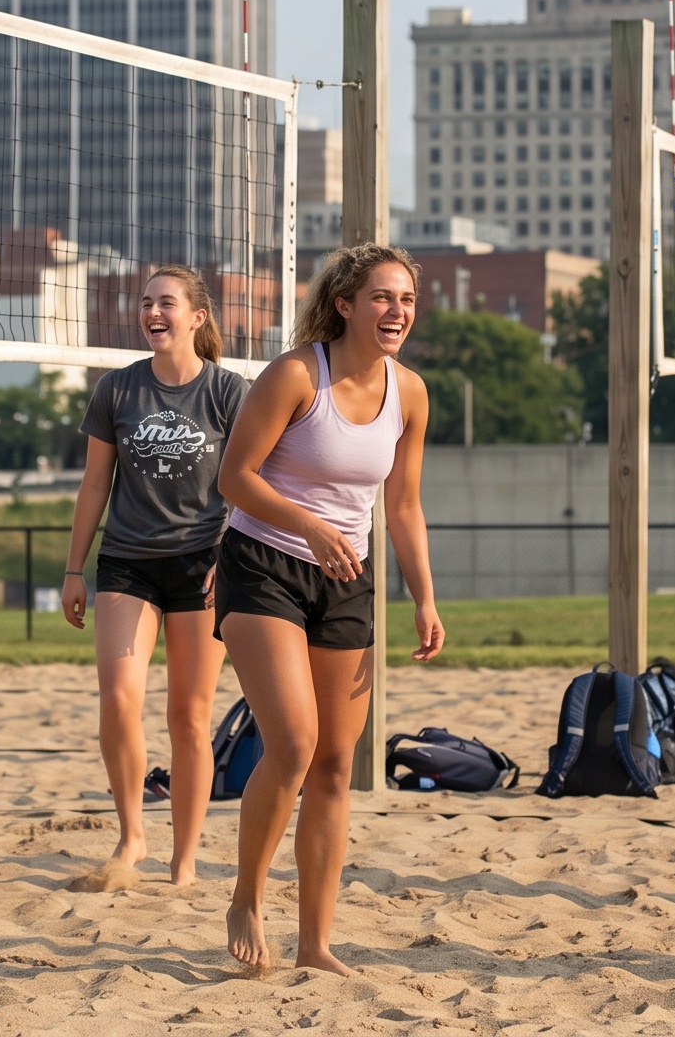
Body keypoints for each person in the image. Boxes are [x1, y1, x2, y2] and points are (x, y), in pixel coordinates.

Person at [214, 243, 446, 975]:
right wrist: (308, 525)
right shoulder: (293, 374)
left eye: (406, 300)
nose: (397, 312)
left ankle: (315, 942)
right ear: (345, 304)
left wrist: (425, 598)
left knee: (340, 763)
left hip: (347, 578)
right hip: (262, 565)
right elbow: (234, 478)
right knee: (293, 742)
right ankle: (247, 895)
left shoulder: (409, 392)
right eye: (383, 297)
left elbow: (403, 505)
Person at [62, 267, 246, 891]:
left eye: (166, 303)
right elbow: (94, 486)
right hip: (127, 561)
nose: (153, 313)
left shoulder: (228, 391)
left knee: (190, 719)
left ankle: (185, 858)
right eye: (146, 304)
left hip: (204, 560)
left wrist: (233, 554)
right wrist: (72, 569)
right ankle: (133, 835)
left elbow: (252, 482)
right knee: (118, 700)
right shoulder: (117, 390)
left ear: (197, 316)